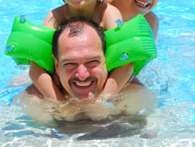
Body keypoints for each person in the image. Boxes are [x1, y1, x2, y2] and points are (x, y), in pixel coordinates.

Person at [29, 0, 133, 100]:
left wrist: (102, 100)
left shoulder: (109, 15)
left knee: (135, 90)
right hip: (69, 79)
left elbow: (126, 63)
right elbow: (36, 69)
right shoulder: (54, 18)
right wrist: (60, 103)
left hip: (103, 80)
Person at [23, 18, 156, 122]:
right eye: (70, 63)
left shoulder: (134, 98)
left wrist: (102, 102)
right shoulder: (36, 103)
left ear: (107, 61)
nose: (82, 75)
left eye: (92, 62)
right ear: (57, 67)